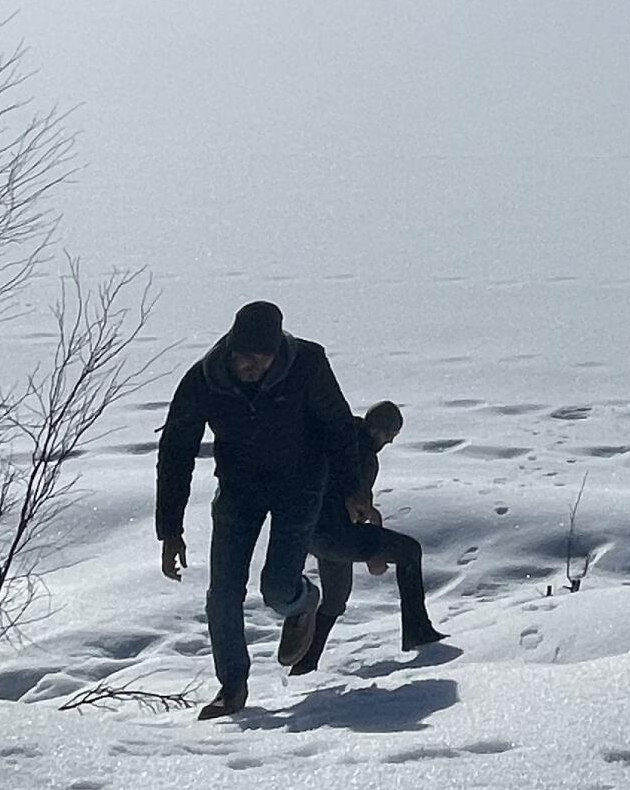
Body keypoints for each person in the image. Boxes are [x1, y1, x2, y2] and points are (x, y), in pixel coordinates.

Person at [156, 300, 364, 720]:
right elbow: (176, 450)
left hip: (300, 484)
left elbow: (339, 427)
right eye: (241, 356)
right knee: (223, 593)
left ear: (276, 354)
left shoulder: (307, 362)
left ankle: (302, 602)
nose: (247, 365)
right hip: (239, 488)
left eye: (258, 358)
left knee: (277, 588)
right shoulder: (204, 379)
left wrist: (354, 491)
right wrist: (170, 529)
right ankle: (232, 689)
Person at [291, 398, 443, 670]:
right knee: (409, 551)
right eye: (390, 435)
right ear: (378, 430)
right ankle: (418, 632)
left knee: (335, 600)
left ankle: (304, 665)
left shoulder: (338, 438)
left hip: (311, 535)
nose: (390, 443)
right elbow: (356, 504)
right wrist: (374, 543)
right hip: (337, 534)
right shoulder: (362, 454)